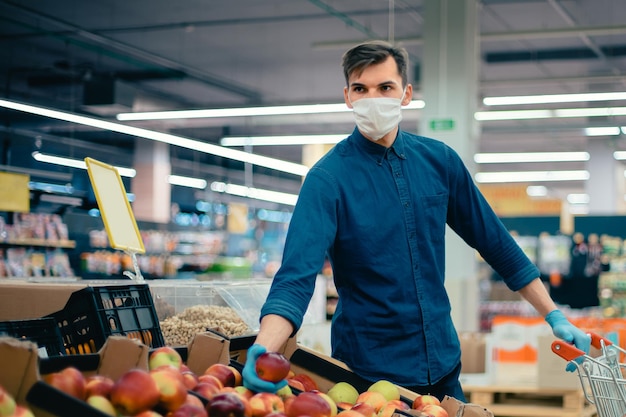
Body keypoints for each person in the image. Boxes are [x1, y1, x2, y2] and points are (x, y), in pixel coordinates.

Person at [242, 40, 590, 401]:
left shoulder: (440, 162)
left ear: (405, 94)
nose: (372, 99)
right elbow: (295, 279)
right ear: (347, 96)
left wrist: (554, 316)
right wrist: (264, 348)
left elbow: (496, 244)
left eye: (385, 88)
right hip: (368, 376)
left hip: (443, 365)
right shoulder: (327, 180)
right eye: (361, 89)